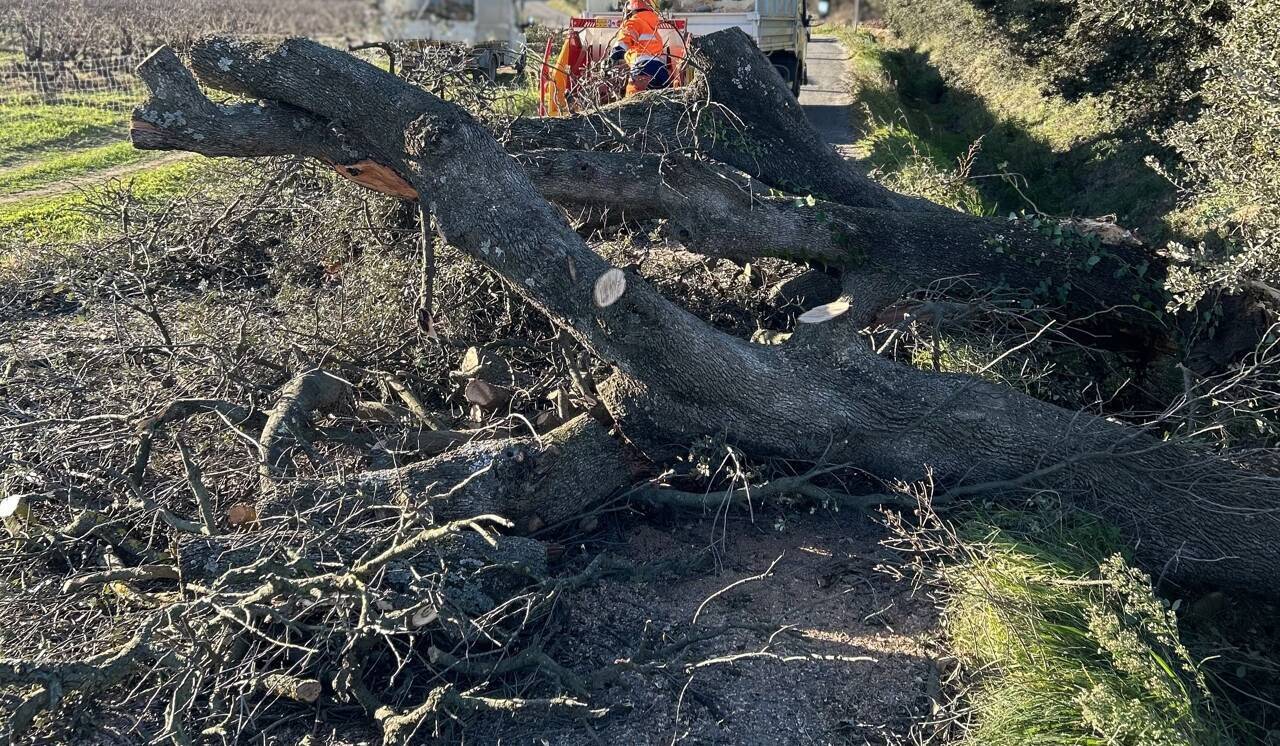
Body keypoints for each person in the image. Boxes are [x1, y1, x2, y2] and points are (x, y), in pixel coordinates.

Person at [605, 0, 671, 96]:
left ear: (632, 10)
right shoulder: (653, 28)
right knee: (662, 102)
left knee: (632, 101)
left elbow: (623, 42)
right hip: (661, 72)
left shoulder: (633, 22)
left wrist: (612, 57)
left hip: (642, 69)